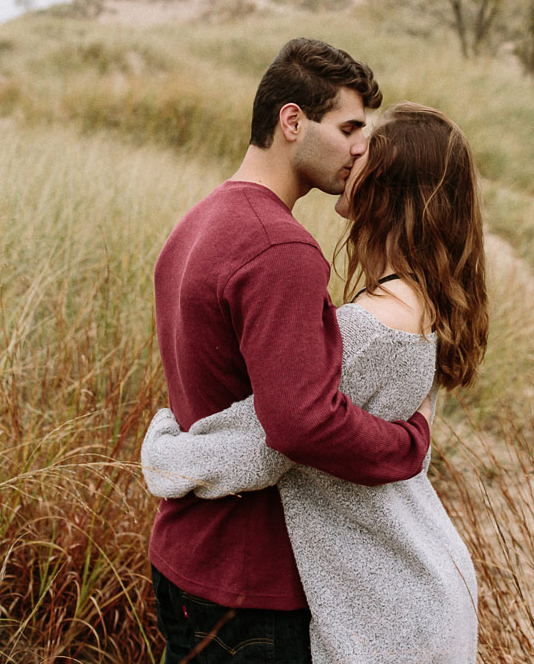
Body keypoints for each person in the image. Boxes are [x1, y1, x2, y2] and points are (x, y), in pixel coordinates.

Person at [143, 101, 488, 663]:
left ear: (389, 183)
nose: (351, 154)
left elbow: (270, 440)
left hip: (391, 608)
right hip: (412, 581)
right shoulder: (419, 303)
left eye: (364, 144)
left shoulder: (369, 329)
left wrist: (164, 451)